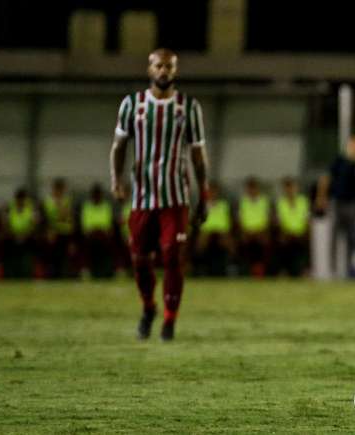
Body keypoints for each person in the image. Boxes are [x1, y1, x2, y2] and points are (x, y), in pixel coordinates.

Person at [110, 48, 209, 341]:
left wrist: (203, 194)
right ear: (149, 69)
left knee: (172, 257)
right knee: (140, 260)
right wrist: (116, 180)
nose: (163, 70)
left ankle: (169, 319)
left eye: (169, 66)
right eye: (158, 65)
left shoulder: (188, 107)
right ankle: (149, 307)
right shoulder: (133, 104)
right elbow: (118, 146)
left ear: (175, 71)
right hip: (142, 197)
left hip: (176, 198)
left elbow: (199, 156)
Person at [315, 134, 355, 277]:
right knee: (334, 236)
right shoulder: (339, 162)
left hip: (354, 204)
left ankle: (349, 270)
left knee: (352, 238)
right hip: (337, 202)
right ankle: (332, 270)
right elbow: (325, 180)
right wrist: (321, 198)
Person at [195, 183, 233, 276]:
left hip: (221, 230)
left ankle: (232, 266)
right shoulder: (203, 205)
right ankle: (200, 267)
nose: (212, 194)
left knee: (228, 241)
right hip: (207, 230)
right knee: (201, 241)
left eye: (214, 191)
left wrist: (222, 230)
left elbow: (228, 220)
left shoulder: (224, 204)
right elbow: (198, 221)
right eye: (211, 191)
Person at [275, 176, 310, 277]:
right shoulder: (281, 203)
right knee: (282, 241)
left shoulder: (303, 201)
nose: (290, 190)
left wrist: (302, 232)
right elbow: (279, 221)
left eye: (292, 187)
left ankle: (305, 270)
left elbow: (307, 219)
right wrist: (286, 232)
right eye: (287, 188)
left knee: (305, 240)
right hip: (287, 234)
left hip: (301, 233)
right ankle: (284, 270)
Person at [80, 183, 116, 278]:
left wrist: (103, 230)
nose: (97, 196)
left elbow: (108, 223)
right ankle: (88, 270)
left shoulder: (106, 206)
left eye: (98, 194)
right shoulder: (87, 206)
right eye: (95, 194)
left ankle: (107, 271)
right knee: (88, 244)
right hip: (91, 235)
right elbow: (86, 223)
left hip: (103, 234)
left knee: (107, 243)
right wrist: (93, 230)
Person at [237, 177, 271, 277]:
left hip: (261, 232)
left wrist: (259, 231)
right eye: (250, 188)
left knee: (262, 241)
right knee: (245, 241)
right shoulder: (243, 202)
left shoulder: (264, 201)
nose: (252, 190)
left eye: (254, 188)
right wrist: (247, 232)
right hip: (247, 232)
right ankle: (247, 271)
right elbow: (240, 220)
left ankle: (261, 271)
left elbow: (267, 219)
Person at [42, 178, 75, 278]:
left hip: (66, 232)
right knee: (53, 256)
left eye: (62, 189)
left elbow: (67, 217)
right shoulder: (48, 201)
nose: (60, 191)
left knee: (66, 255)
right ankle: (51, 274)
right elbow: (47, 218)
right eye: (58, 189)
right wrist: (49, 230)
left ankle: (65, 274)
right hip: (53, 233)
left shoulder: (67, 200)